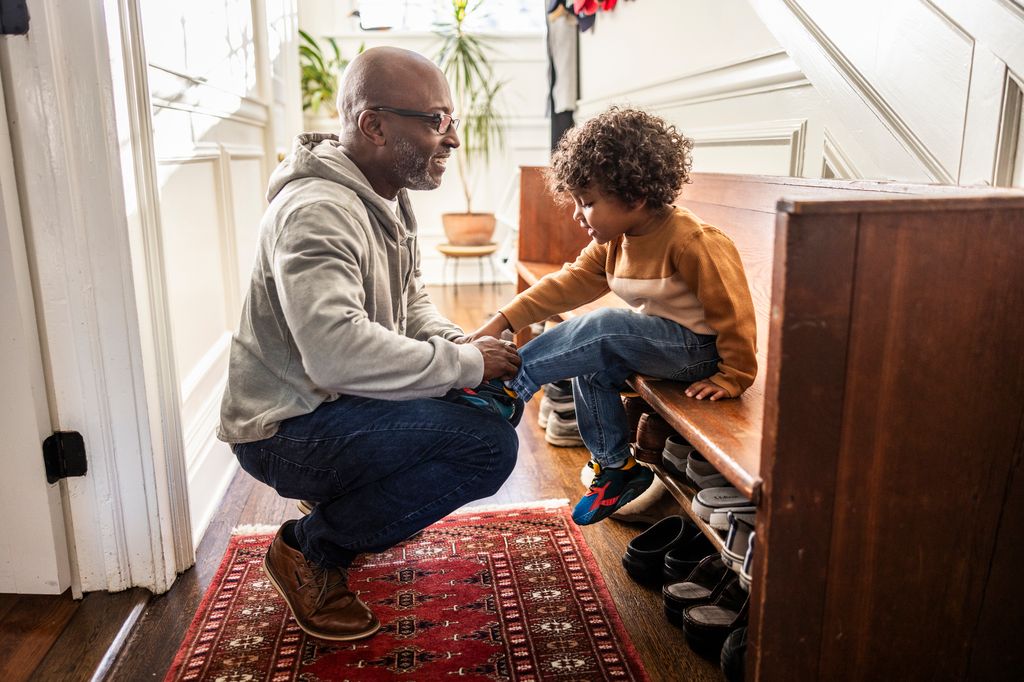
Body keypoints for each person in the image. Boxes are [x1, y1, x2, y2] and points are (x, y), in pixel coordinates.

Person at [217, 47, 522, 642]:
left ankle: (347, 500)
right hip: (286, 428)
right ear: (374, 125)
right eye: (436, 120)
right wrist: (464, 363)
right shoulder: (317, 212)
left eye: (452, 119)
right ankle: (310, 548)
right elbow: (336, 353)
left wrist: (460, 345)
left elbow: (410, 301)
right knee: (487, 447)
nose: (453, 137)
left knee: (496, 402)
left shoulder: (384, 194)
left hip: (335, 404)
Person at [469, 107, 757, 526]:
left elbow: (734, 313)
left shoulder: (694, 241)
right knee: (592, 365)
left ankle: (511, 385)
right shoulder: (616, 241)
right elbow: (567, 283)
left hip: (701, 353)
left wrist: (734, 375)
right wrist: (502, 321)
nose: (576, 214)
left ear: (634, 197)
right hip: (662, 345)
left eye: (587, 203)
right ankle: (616, 467)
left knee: (606, 327)